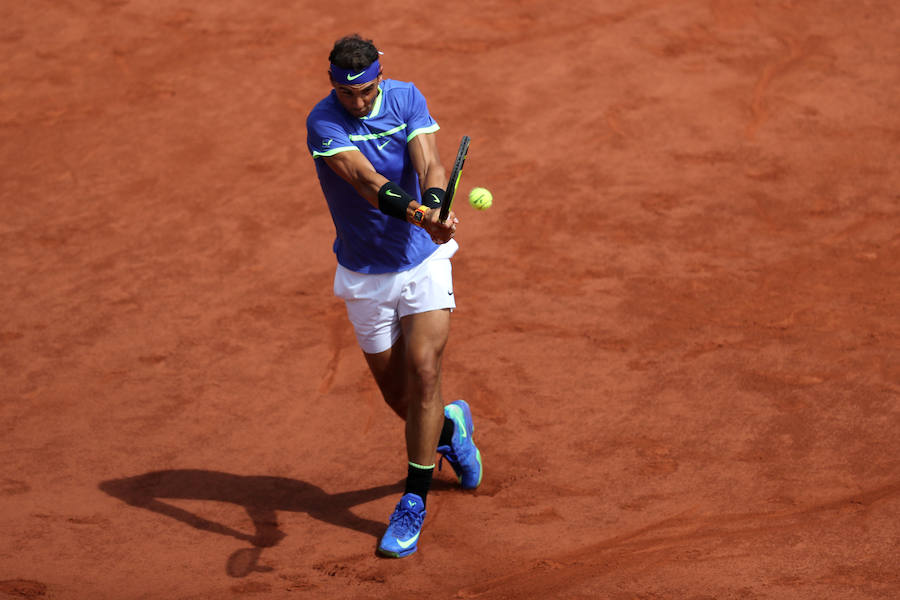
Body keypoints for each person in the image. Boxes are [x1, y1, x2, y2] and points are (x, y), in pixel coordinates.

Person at [305, 34, 483, 558]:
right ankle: (451, 425)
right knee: (401, 399)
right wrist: (417, 213)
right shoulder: (323, 122)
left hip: (421, 264)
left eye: (364, 93)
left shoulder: (406, 97)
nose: (356, 103)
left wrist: (433, 204)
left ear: (379, 77)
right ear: (333, 84)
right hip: (364, 274)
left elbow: (428, 162)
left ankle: (413, 500)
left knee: (426, 371)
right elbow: (363, 180)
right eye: (345, 93)